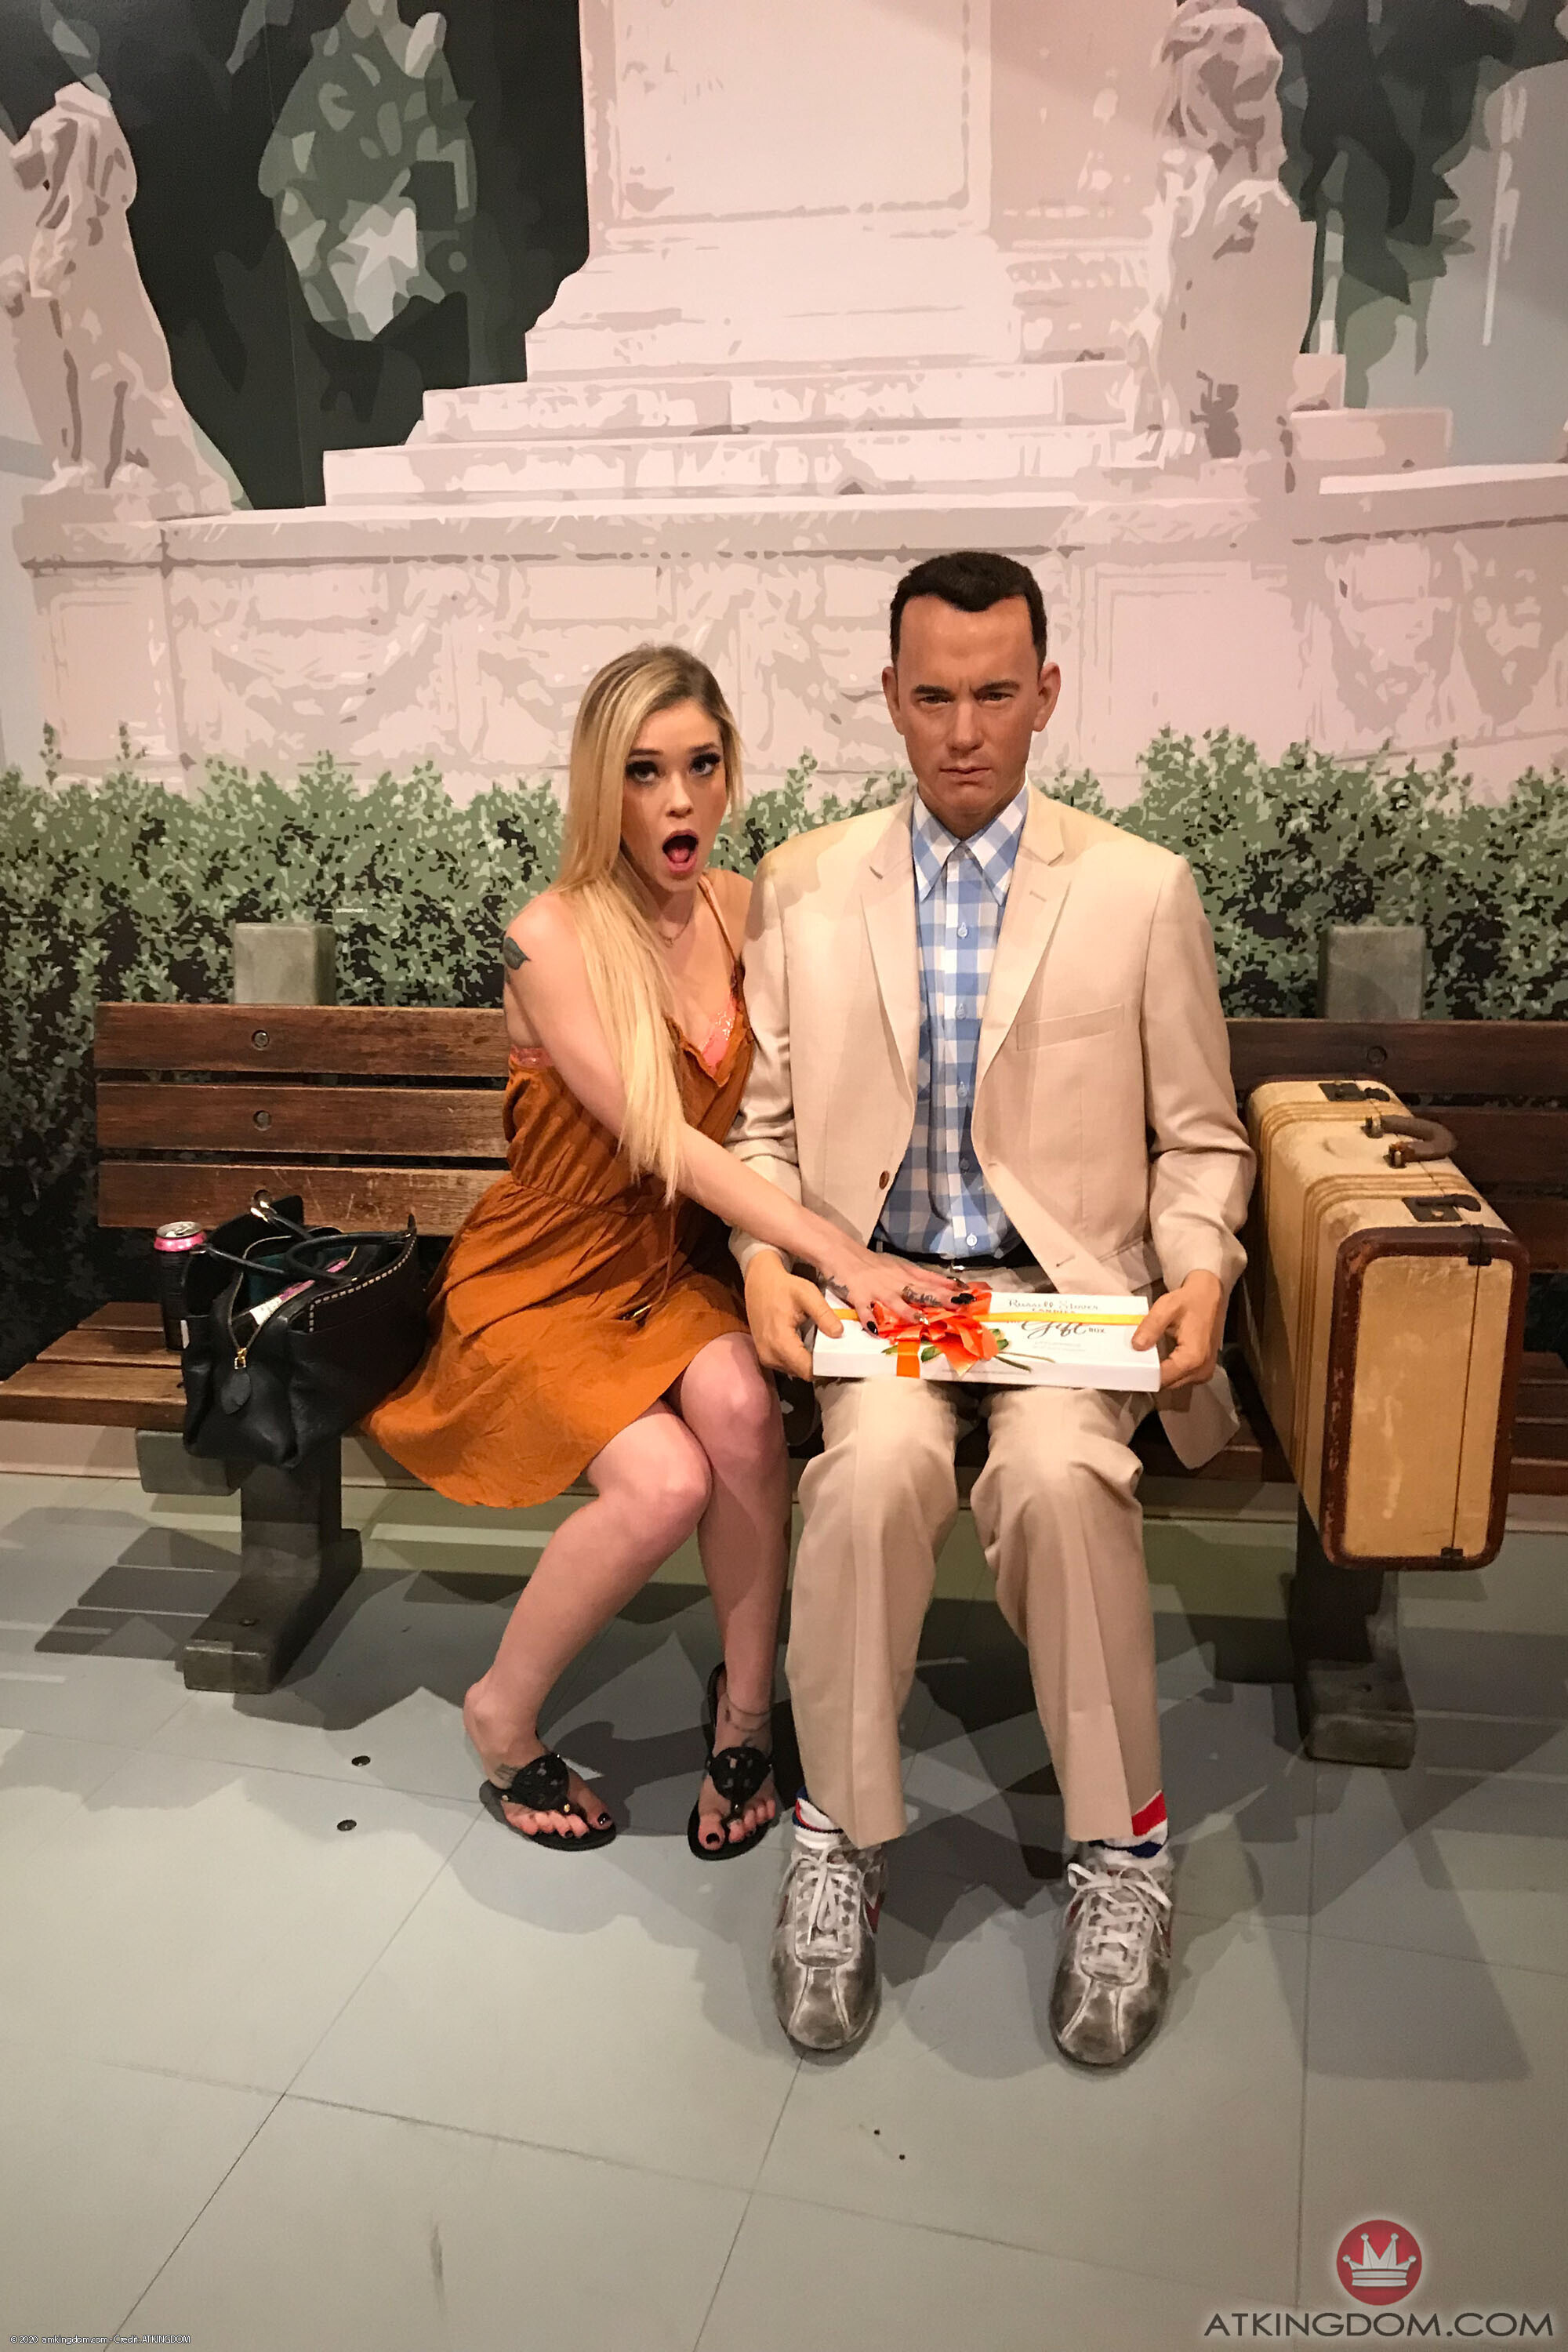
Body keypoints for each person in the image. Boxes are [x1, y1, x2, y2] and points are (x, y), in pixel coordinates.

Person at [728, 551, 1254, 2062]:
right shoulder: (806, 885)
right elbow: (762, 1132)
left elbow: (1201, 1139)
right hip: (881, 1292)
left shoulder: (1140, 889)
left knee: (1061, 1479)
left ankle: (1124, 1849)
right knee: (870, 1478)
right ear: (893, 697)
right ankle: (838, 1833)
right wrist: (768, 1262)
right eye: (936, 697)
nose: (965, 731)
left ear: (1047, 694)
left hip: (1064, 1301)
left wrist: (1202, 1268)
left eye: (997, 694)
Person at [366, 645, 945, 1857]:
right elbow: (664, 1140)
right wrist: (841, 1254)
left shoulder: (745, 909)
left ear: (729, 773)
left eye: (700, 766)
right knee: (668, 1483)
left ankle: (745, 1717)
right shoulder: (549, 936)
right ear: (602, 785)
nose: (678, 800)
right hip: (540, 1278)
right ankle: (499, 1715)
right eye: (643, 772)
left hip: (665, 1271)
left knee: (742, 1413)